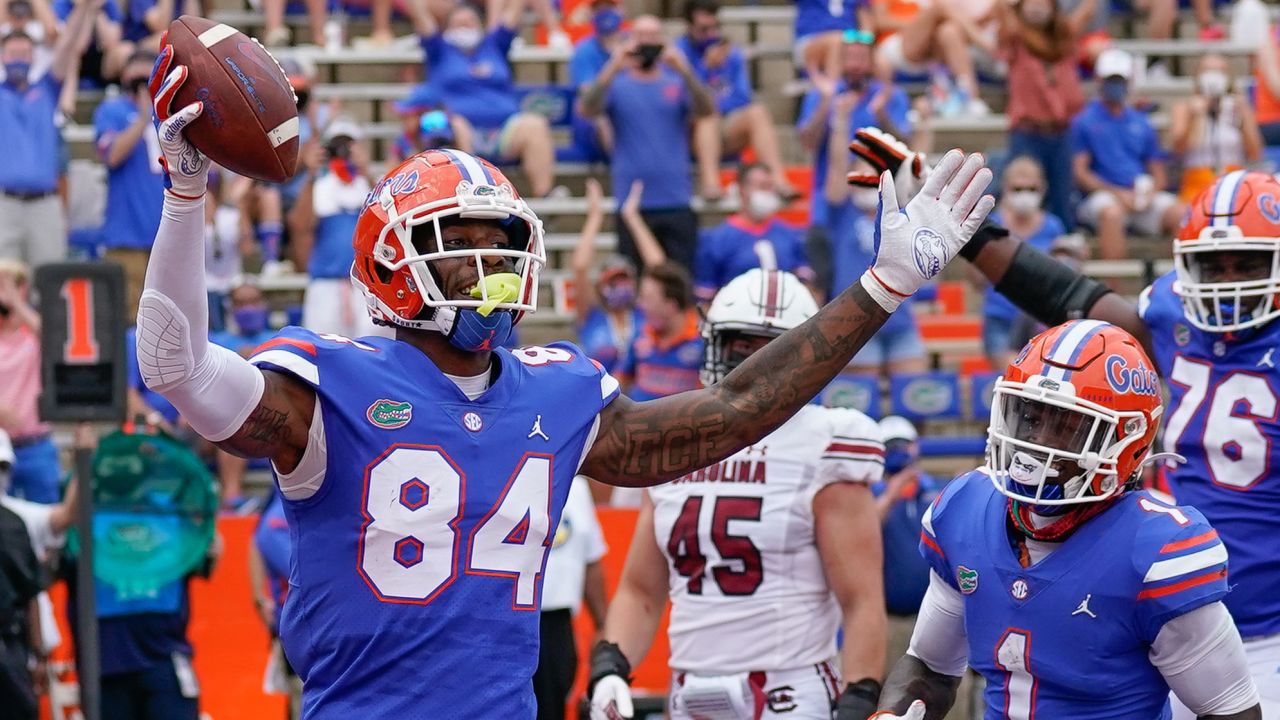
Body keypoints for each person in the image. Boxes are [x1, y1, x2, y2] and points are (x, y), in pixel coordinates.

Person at [141, 35, 994, 715]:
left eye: (503, 246)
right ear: (393, 264)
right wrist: (186, 193)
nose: (495, 269)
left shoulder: (558, 390)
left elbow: (733, 409)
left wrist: (882, 288)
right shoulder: (330, 385)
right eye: (463, 247)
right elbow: (174, 365)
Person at [850, 147, 1280, 715]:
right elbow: (1068, 299)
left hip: (1260, 624)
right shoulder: (1174, 313)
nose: (1227, 284)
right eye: (1213, 263)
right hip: (1141, 612)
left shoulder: (1161, 541)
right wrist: (966, 229)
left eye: (1247, 263)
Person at [871, 321, 1264, 720]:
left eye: (1066, 427)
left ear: (1124, 440)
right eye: (1030, 417)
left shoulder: (1156, 552)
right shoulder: (965, 510)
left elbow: (1230, 711)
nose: (1037, 442)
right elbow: (930, 668)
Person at [589, 269, 888, 720]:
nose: (755, 367)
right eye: (740, 348)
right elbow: (641, 589)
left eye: (773, 352)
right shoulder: (683, 435)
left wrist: (859, 694)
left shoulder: (825, 442)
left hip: (789, 691)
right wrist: (611, 665)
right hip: (688, 690)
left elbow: (861, 598)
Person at [578, 13, 717, 269]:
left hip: (676, 198)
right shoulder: (617, 84)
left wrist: (685, 70)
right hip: (632, 203)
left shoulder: (676, 81)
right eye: (641, 36)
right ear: (630, 40)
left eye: (653, 37)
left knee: (680, 280)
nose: (647, 43)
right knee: (637, 282)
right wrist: (613, 65)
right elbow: (587, 109)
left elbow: (707, 110)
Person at [408, 0, 556, 197]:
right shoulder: (439, 49)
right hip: (460, 130)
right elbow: (419, 13)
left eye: (469, 23)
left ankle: (545, 199)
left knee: (535, 125)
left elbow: (514, 10)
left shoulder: (494, 45)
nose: (464, 27)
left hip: (504, 131)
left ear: (481, 25)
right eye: (458, 24)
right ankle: (472, 194)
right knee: (455, 123)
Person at [826, 114, 926, 378]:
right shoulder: (842, 212)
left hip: (899, 319)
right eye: (862, 170)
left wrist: (924, 123)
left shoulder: (899, 209)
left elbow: (918, 173)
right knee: (863, 400)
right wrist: (840, 123)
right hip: (855, 321)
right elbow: (836, 168)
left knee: (915, 397)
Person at [0, 2, 93, 268]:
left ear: (33, 57)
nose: (18, 58)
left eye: (24, 52)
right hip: (4, 204)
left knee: (51, 282)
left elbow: (66, 46)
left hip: (45, 204)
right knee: (4, 288)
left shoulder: (47, 89)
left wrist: (83, 8)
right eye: (12, 52)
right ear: (3, 57)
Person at [1070, 48, 1185, 261]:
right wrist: (1117, 193)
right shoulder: (1083, 121)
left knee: (1180, 213)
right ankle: (1114, 290)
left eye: (1120, 79)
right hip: (1100, 196)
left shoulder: (1141, 122)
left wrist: (1149, 193)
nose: (1116, 85)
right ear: (1098, 80)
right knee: (1111, 214)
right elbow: (1081, 172)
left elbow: (1157, 170)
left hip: (1139, 196)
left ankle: (1170, 285)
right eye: (1110, 79)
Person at [677, 0, 796, 200]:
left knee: (757, 113)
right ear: (689, 27)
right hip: (690, 133)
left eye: (716, 27)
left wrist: (718, 104)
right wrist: (705, 69)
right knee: (707, 115)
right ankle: (711, 184)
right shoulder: (678, 54)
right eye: (704, 29)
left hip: (725, 128)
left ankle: (778, 180)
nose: (711, 34)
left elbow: (743, 98)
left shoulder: (730, 53)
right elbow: (680, 102)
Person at [798, 32, 912, 231]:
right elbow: (807, 144)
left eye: (861, 58)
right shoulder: (822, 94)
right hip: (831, 195)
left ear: (872, 61)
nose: (855, 65)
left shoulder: (890, 95)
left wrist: (882, 114)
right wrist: (825, 105)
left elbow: (905, 145)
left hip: (877, 195)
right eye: (849, 58)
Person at [997, 0, 1093, 229]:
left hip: (1061, 133)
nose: (1038, 6)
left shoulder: (1063, 38)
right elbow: (1002, 10)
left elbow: (1087, 12)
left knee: (1062, 198)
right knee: (1021, 195)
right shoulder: (1016, 37)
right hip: (1027, 132)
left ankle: (1064, 251)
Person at [288, 117, 380, 339]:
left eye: (349, 145)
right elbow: (300, 226)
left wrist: (365, 170)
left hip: (366, 287)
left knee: (370, 348)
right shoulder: (318, 187)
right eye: (338, 145)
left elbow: (384, 221)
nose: (344, 151)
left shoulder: (372, 185)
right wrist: (310, 174)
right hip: (326, 286)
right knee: (322, 350)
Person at [975, 156, 1064, 368]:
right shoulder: (991, 223)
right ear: (1006, 188)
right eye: (1018, 189)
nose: (1025, 195)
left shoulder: (1053, 226)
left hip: (1040, 321)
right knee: (1013, 375)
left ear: (1042, 189)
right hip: (1000, 318)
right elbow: (977, 279)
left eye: (1031, 189)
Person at [95, 48, 163, 319]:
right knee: (128, 320)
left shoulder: (171, 114)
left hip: (167, 238)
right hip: (126, 236)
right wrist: (143, 116)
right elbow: (112, 155)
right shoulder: (112, 111)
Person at [534, 476, 607, 720]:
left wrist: (603, 625)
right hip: (503, 620)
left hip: (555, 624)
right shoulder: (499, 475)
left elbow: (591, 559)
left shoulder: (576, 489)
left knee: (551, 709)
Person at [694, 163, 813, 304]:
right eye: (762, 187)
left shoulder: (789, 235)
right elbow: (705, 296)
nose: (767, 193)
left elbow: (806, 285)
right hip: (736, 318)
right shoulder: (717, 239)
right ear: (741, 190)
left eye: (770, 187)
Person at [0, 259, 61, 503]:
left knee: (48, 515)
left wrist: (16, 302)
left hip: (36, 446)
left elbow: (55, 341)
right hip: (1, 447)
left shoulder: (33, 333)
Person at [1169, 53, 1263, 204]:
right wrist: (1195, 117)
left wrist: (1243, 117)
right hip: (1196, 182)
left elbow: (1255, 153)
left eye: (1220, 71)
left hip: (1234, 182)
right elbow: (1178, 150)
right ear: (1198, 76)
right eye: (1208, 70)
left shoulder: (1240, 107)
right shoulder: (1185, 107)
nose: (1214, 76)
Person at [571, 177, 641, 375]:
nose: (619, 286)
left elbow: (661, 269)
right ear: (601, 286)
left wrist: (632, 218)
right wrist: (596, 216)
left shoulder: (644, 315)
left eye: (623, 279)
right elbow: (580, 267)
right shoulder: (590, 316)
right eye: (613, 281)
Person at [250, 489, 302, 719]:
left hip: (319, 626)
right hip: (302, 629)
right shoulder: (278, 516)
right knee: (303, 699)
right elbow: (304, 571)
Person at [621, 260, 703, 401]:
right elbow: (620, 380)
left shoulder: (704, 340)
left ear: (671, 305)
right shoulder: (641, 334)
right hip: (638, 420)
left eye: (648, 299)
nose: (640, 305)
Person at [568, 0, 626, 163]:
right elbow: (589, 98)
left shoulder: (633, 44)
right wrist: (614, 64)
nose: (605, 12)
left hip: (628, 111)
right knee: (601, 117)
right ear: (591, 15)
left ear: (621, 11)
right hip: (594, 122)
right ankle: (623, 170)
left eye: (609, 8)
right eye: (599, 9)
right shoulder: (584, 50)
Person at [0, 490, 39, 720]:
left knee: (20, 709)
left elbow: (30, 591)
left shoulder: (11, 521)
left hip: (9, 639)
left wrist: (39, 652)